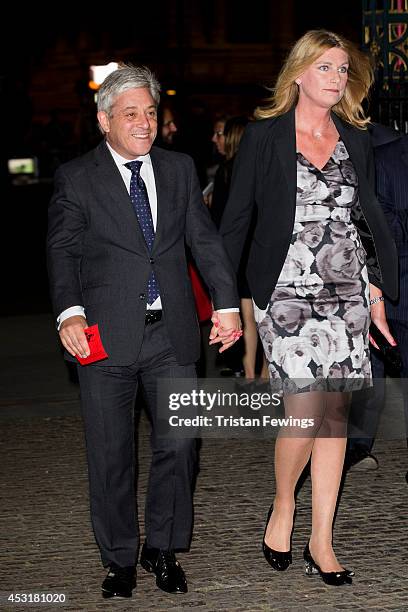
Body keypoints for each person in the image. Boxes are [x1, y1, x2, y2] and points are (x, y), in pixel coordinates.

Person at [47, 64, 241, 600]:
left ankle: (163, 547)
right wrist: (70, 312)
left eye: (151, 113)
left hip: (171, 333)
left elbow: (204, 242)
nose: (144, 123)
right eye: (131, 114)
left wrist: (227, 305)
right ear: (104, 119)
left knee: (180, 446)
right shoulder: (77, 177)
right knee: (111, 453)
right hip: (103, 336)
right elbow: (62, 251)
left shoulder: (178, 169)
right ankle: (119, 560)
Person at [220, 30, 398, 586]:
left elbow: (365, 221)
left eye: (343, 69)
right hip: (287, 290)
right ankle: (283, 505)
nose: (336, 77)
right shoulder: (265, 137)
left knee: (335, 415)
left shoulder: (356, 138)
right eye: (325, 67)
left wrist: (375, 292)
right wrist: (227, 304)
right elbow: (236, 222)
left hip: (346, 290)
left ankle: (323, 539)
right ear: (298, 73)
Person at [348, 133, 408, 476]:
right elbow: (374, 234)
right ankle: (357, 444)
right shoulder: (385, 160)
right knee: (373, 370)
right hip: (390, 292)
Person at [211, 115, 269, 381]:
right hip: (261, 250)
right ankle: (267, 374)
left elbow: (224, 220)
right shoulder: (264, 167)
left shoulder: (228, 171)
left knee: (247, 319)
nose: (216, 139)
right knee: (264, 318)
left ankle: (248, 376)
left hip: (240, 252)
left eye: (221, 134)